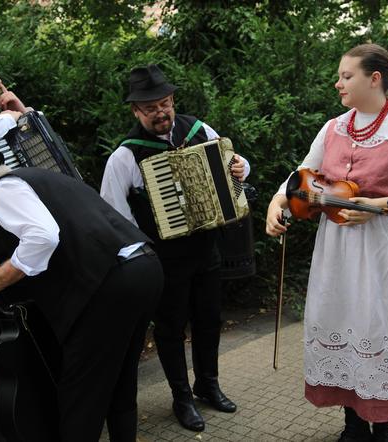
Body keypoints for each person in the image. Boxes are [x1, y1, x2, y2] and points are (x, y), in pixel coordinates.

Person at [266, 44, 388, 442]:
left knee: (378, 329)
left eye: (346, 76)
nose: (338, 83)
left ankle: (381, 424)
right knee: (341, 323)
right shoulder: (332, 127)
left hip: (387, 255)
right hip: (336, 253)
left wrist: (379, 205)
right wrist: (278, 200)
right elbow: (302, 175)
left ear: (375, 79)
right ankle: (352, 422)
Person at [0, 151, 163, 441]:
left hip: (113, 283)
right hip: (144, 267)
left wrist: (2, 275)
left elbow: (43, 236)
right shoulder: (44, 178)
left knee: (81, 398)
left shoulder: (1, 189)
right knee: (120, 385)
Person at [100, 64, 250, 432]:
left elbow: (236, 167)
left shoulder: (200, 130)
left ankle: (208, 386)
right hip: (163, 260)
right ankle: (181, 398)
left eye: (164, 103)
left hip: (206, 250)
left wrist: (242, 168)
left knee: (209, 319)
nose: (161, 112)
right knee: (169, 330)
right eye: (150, 107)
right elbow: (112, 215)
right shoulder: (125, 156)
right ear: (135, 111)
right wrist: (142, 254)